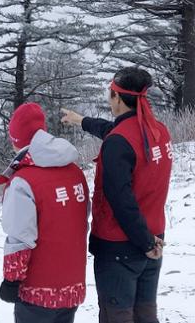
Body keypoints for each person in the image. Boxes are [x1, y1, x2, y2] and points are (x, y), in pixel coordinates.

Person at [61, 67, 172, 323]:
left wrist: (144, 242)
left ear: (117, 98)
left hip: (122, 246)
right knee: (145, 315)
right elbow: (113, 130)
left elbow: (121, 201)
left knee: (117, 317)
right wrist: (81, 120)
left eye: (110, 95)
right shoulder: (158, 131)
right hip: (154, 239)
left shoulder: (119, 142)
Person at [0, 102, 89, 323]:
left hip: (37, 290)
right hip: (72, 283)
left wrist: (11, 280)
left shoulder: (24, 181)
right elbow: (82, 220)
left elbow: (20, 238)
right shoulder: (74, 171)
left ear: (17, 139)